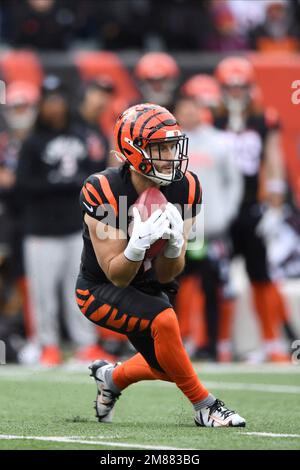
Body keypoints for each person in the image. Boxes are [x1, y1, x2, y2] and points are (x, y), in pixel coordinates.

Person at [76, 102, 245, 427]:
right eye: (160, 147)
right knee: (165, 322)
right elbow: (117, 275)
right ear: (133, 150)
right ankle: (206, 406)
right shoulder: (103, 189)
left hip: (150, 286)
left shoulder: (189, 187)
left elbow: (170, 273)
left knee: (168, 364)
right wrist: (137, 246)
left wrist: (175, 245)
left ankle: (112, 377)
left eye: (172, 145)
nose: (171, 155)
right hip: (99, 290)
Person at [16, 75, 112, 366]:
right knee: (43, 293)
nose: (54, 107)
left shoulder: (83, 135)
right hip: (42, 230)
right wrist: (64, 183)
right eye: (49, 101)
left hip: (76, 228)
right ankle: (49, 345)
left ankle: (86, 344)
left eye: (58, 100)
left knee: (81, 290)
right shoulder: (32, 142)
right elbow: (23, 184)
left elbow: (96, 176)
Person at [214, 56, 294, 362]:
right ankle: (218, 345)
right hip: (220, 209)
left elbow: (274, 163)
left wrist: (274, 207)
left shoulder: (263, 119)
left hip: (250, 208)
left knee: (261, 276)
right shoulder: (212, 119)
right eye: (230, 87)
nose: (235, 93)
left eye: (240, 86)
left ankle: (273, 344)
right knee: (216, 279)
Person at [174, 91, 243, 362]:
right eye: (184, 108)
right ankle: (174, 343)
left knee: (211, 288)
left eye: (194, 108)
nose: (189, 113)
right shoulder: (169, 144)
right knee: (171, 288)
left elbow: (234, 182)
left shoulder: (220, 142)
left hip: (210, 231)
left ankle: (211, 344)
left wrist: (224, 216)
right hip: (178, 230)